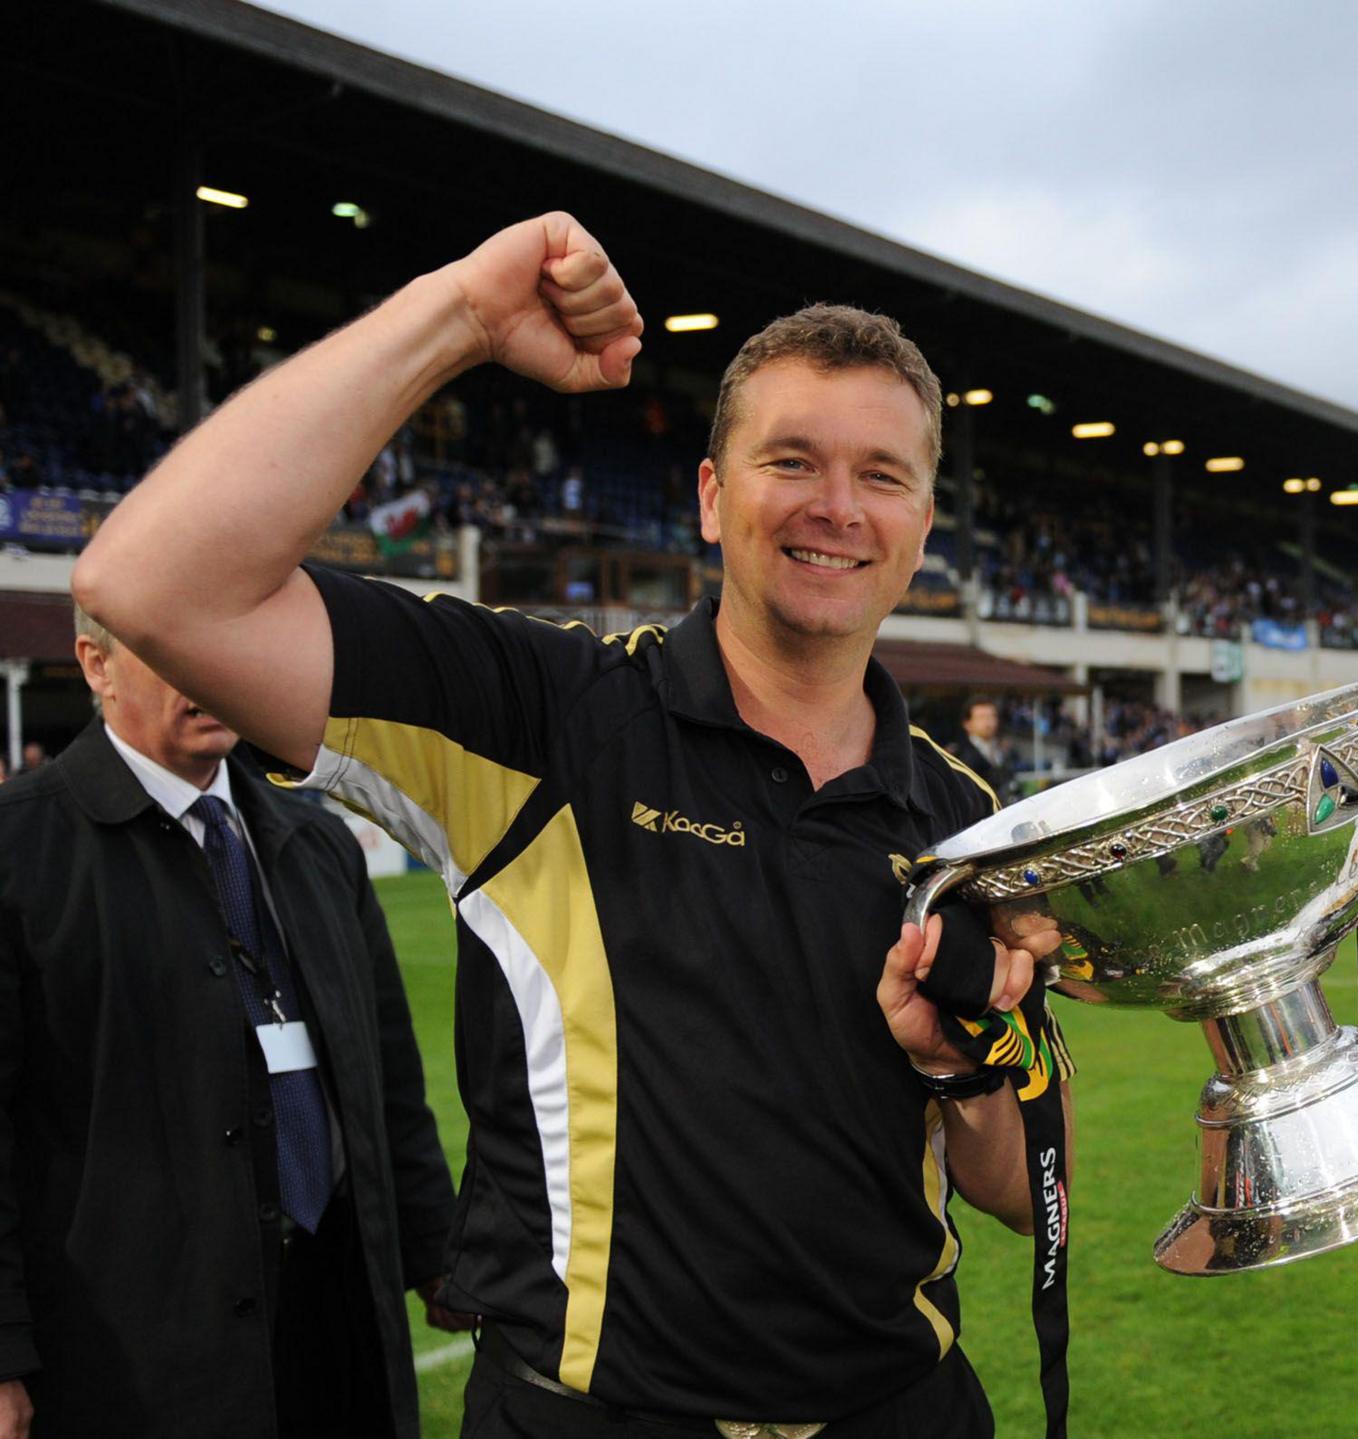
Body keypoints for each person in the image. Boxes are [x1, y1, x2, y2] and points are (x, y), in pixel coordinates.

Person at [74, 214, 1064, 1436]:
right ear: (710, 495)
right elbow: (150, 582)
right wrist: (463, 318)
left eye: (883, 475)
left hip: (906, 1411)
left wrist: (963, 1065)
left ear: (922, 526)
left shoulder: (970, 819)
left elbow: (1026, 1190)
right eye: (790, 459)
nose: (836, 508)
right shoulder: (547, 710)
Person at [0, 608, 463, 1438]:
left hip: (338, 1307)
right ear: (95, 666)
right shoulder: (19, 849)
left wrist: (432, 1248)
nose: (208, 672)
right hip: (137, 1347)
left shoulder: (318, 842)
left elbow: (386, 1077)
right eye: (173, 648)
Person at [949, 694, 1013, 802]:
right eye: (981, 717)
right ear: (967, 724)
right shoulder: (961, 755)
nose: (988, 722)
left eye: (992, 716)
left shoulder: (1002, 751)